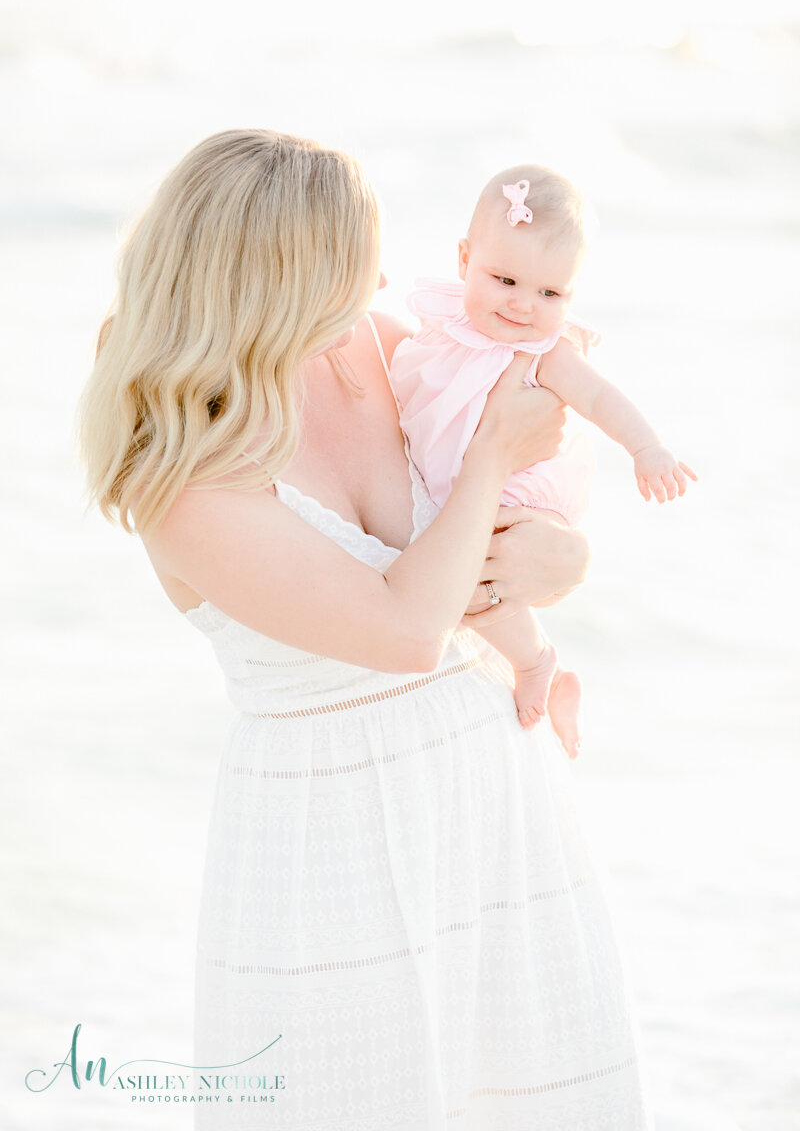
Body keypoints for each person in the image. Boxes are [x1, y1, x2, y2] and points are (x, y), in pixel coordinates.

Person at [78, 129, 654, 1129]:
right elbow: (402, 629)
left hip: (492, 791)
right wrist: (487, 464)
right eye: (356, 261)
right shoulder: (178, 472)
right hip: (325, 831)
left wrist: (566, 559)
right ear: (274, 276)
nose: (383, 279)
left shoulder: (368, 347)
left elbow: (516, 509)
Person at [391, 166, 697, 753]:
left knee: (471, 579)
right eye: (505, 279)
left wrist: (646, 447)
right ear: (463, 260)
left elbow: (601, 397)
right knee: (447, 572)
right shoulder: (441, 328)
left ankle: (536, 663)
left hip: (515, 489)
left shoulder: (545, 352)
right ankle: (539, 669)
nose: (523, 306)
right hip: (459, 485)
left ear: (571, 295)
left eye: (549, 293)